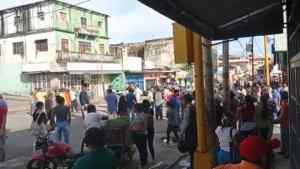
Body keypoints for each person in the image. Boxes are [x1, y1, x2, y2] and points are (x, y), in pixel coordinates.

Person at [180, 94, 197, 169]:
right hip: (196, 132)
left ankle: (193, 166)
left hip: (190, 133)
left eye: (183, 100)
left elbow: (185, 123)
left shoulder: (187, 109)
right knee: (194, 150)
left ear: (186, 100)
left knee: (191, 151)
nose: (182, 101)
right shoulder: (194, 107)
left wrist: (181, 133)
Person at [278, 91, 289, 158]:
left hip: (285, 124)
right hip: (284, 123)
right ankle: (283, 151)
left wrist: (273, 121)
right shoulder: (286, 104)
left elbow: (281, 116)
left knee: (286, 139)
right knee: (284, 139)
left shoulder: (285, 105)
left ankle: (286, 153)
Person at [0, 94, 7, 162]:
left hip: (1, 127)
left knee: (1, 145)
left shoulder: (2, 104)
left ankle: (2, 159)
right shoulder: (4, 103)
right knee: (2, 145)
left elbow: (4, 117)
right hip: (2, 126)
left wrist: (2, 129)